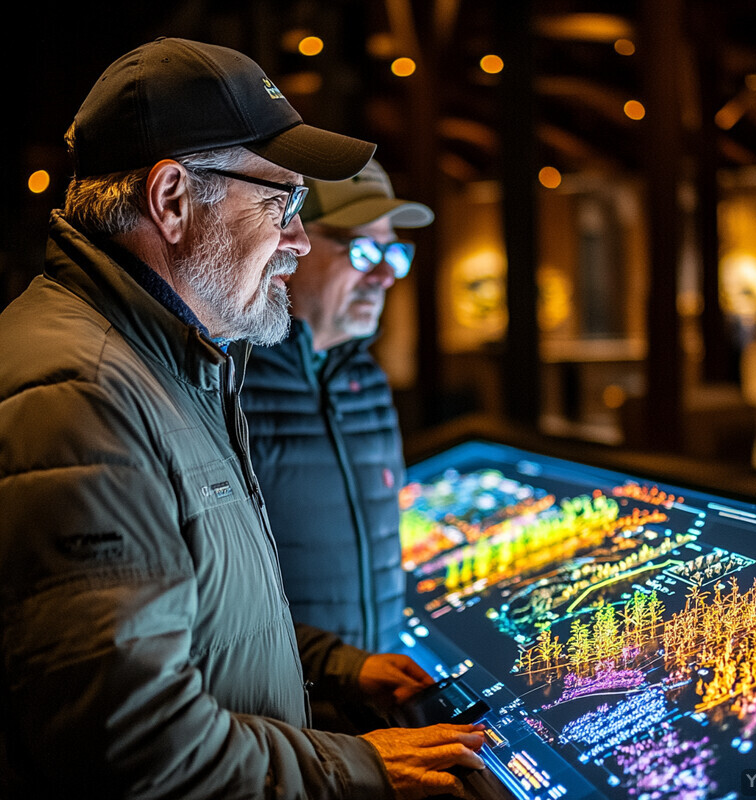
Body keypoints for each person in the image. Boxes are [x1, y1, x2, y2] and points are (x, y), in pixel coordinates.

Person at [0, 37, 485, 799]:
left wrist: (334, 669)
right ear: (170, 201)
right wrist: (362, 768)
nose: (297, 238)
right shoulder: (81, 392)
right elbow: (133, 741)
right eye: (280, 202)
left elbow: (206, 624)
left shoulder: (175, 365)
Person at [242, 160, 432, 660]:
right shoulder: (232, 381)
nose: (385, 274)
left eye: (395, 252)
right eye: (364, 249)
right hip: (282, 713)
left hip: (375, 704)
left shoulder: (367, 380)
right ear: (293, 244)